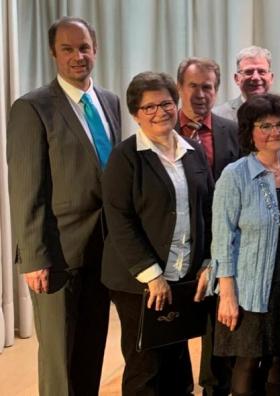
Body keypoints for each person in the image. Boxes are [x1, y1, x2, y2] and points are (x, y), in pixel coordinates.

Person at [6, 16, 121, 396]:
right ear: (54, 53)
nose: (78, 56)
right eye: (68, 49)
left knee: (91, 350)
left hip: (103, 253)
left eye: (84, 47)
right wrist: (35, 257)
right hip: (56, 255)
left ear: (96, 49)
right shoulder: (32, 107)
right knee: (59, 359)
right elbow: (26, 188)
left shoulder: (110, 101)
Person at [101, 71, 213, 395]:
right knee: (145, 365)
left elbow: (206, 207)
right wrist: (152, 275)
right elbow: (119, 220)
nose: (159, 112)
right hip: (138, 282)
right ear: (135, 114)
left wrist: (207, 259)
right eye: (148, 107)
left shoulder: (192, 150)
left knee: (177, 361)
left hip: (183, 274)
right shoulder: (125, 157)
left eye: (165, 103)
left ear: (176, 105)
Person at [207, 93, 280, 396]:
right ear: (249, 132)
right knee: (247, 360)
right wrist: (226, 293)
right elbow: (222, 236)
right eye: (264, 125)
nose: (274, 132)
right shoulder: (235, 175)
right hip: (249, 286)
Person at [175, 56, 242, 395]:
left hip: (222, 240)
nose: (200, 94)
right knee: (174, 329)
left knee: (219, 323)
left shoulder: (231, 130)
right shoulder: (162, 128)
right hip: (178, 244)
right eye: (193, 86)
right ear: (179, 88)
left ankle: (215, 386)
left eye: (208, 87)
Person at [213, 46, 274, 122]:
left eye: (261, 71)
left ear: (271, 78)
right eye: (248, 72)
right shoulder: (218, 115)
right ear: (237, 78)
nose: (255, 77)